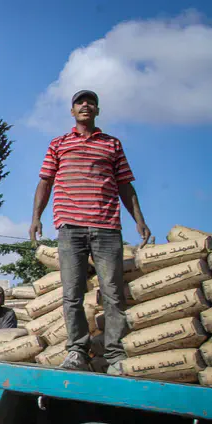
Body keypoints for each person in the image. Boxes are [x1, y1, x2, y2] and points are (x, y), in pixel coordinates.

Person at [29, 90, 151, 375]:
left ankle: (115, 354)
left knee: (112, 293)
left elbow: (125, 185)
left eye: (90, 102)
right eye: (80, 102)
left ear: (97, 110)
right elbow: (45, 182)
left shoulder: (112, 144)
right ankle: (77, 352)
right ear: (72, 112)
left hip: (107, 227)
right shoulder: (59, 144)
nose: (85, 105)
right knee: (72, 294)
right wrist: (36, 218)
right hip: (70, 228)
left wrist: (140, 220)